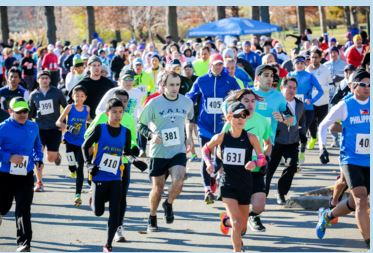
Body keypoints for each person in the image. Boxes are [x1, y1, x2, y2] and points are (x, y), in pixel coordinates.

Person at [316, 68, 370, 249]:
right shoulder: (345, 105)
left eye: (370, 85)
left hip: (369, 159)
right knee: (362, 199)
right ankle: (370, 244)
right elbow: (324, 125)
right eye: (363, 84)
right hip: (350, 159)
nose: (367, 88)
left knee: (355, 204)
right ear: (352, 85)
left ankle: (327, 216)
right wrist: (322, 148)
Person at [203, 102, 265, 252]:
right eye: (237, 116)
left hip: (245, 184)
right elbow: (206, 149)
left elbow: (263, 158)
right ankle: (237, 250)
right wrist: (208, 163)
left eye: (244, 116)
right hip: (227, 184)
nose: (241, 119)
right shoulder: (221, 137)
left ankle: (226, 220)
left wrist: (255, 162)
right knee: (237, 223)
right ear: (230, 117)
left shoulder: (251, 138)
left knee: (242, 227)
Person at [138, 71, 194, 232]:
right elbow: (140, 125)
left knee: (179, 180)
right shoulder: (154, 103)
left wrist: (189, 137)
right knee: (158, 188)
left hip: (178, 150)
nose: (175, 88)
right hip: (158, 151)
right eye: (171, 85)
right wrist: (151, 135)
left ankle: (168, 203)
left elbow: (190, 118)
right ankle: (152, 216)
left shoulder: (186, 102)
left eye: (177, 85)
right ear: (163, 86)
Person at [85, 89, 139, 243]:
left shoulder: (129, 119)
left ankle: (118, 228)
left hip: (122, 164)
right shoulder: (103, 116)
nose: (121, 104)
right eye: (118, 100)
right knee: (100, 209)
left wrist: (134, 149)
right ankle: (95, 196)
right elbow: (87, 136)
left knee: (121, 197)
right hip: (101, 165)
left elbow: (133, 140)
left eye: (124, 102)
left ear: (127, 104)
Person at [186, 54, 240, 204]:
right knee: (206, 157)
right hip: (205, 125)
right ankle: (207, 189)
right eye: (216, 64)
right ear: (210, 65)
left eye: (220, 64)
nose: (218, 67)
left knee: (220, 157)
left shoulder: (230, 80)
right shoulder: (202, 80)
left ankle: (215, 176)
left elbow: (240, 96)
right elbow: (190, 96)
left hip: (223, 126)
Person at [251, 64, 294, 231]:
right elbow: (227, 108)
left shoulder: (278, 97)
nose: (270, 79)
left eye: (272, 76)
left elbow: (293, 119)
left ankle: (255, 216)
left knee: (261, 181)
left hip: (266, 146)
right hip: (245, 145)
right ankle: (238, 212)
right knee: (244, 181)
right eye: (266, 75)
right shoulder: (249, 94)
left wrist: (283, 117)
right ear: (257, 78)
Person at [0, 97, 43, 252]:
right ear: (10, 111)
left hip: (25, 173)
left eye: (25, 111)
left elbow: (37, 145)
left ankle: (24, 243)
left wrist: (39, 158)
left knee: (23, 208)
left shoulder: (33, 126)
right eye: (18, 112)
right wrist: (9, 157)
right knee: (4, 206)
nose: (23, 114)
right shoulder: (3, 128)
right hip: (5, 174)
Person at [265, 77, 305, 204]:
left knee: (292, 166)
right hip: (274, 141)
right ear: (282, 88)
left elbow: (300, 122)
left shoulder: (299, 105)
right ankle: (262, 193)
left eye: (294, 88)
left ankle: (281, 193)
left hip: (292, 142)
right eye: (289, 87)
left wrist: (302, 135)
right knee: (268, 169)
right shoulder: (274, 103)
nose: (292, 90)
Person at [28, 71, 67, 192]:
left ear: (50, 80)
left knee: (50, 158)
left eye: (46, 78)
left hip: (55, 129)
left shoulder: (57, 92)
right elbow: (30, 113)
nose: (44, 80)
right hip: (39, 129)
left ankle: (56, 155)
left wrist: (63, 122)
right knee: (38, 156)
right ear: (38, 80)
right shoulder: (34, 95)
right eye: (42, 78)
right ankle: (39, 182)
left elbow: (66, 107)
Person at [56, 85, 90, 206]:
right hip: (69, 141)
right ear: (72, 96)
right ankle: (72, 170)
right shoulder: (70, 107)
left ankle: (78, 195)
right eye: (77, 96)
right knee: (72, 166)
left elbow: (91, 121)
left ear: (85, 98)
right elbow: (58, 122)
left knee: (80, 168)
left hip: (81, 143)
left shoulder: (87, 109)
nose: (79, 98)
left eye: (81, 96)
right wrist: (68, 127)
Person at [288, 56, 323, 165]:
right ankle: (293, 157)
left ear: (305, 64)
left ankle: (301, 154)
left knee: (302, 133)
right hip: (292, 108)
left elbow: (320, 91)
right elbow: (284, 90)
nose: (299, 65)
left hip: (307, 110)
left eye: (302, 63)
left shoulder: (310, 76)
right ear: (294, 64)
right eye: (297, 63)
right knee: (293, 133)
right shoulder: (290, 75)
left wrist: (312, 100)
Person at [306, 48, 333, 150]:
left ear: (320, 58)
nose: (314, 59)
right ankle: (313, 137)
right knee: (311, 123)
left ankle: (323, 146)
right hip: (310, 102)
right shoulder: (307, 70)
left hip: (323, 102)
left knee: (322, 125)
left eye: (316, 57)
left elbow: (331, 85)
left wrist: (321, 89)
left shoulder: (325, 70)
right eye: (312, 57)